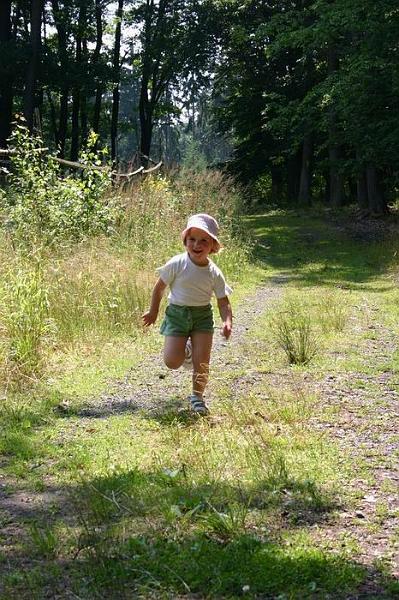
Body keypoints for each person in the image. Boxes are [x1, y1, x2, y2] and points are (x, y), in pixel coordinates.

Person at [142, 213, 233, 415]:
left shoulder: (214, 272)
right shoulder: (177, 263)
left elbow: (223, 301)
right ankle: (187, 350)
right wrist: (153, 311)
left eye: (203, 241)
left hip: (202, 317)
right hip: (177, 314)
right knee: (172, 362)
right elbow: (159, 288)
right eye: (192, 239)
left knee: (202, 363)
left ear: (213, 246)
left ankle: (197, 397)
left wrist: (227, 321)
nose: (196, 245)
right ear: (185, 241)